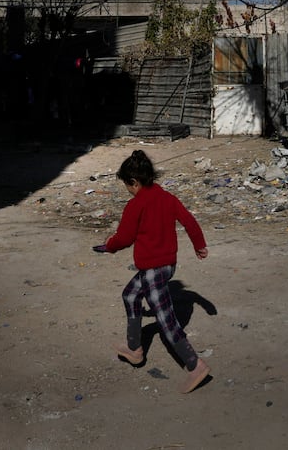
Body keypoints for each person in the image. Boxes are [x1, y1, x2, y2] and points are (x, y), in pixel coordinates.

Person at [93, 149, 212, 393]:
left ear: (134, 182)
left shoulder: (136, 205)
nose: (127, 189)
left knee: (166, 319)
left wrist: (109, 246)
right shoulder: (167, 198)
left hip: (152, 269)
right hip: (167, 266)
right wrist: (199, 246)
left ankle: (195, 365)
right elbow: (189, 221)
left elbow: (125, 238)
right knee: (130, 295)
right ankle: (135, 349)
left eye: (127, 185)